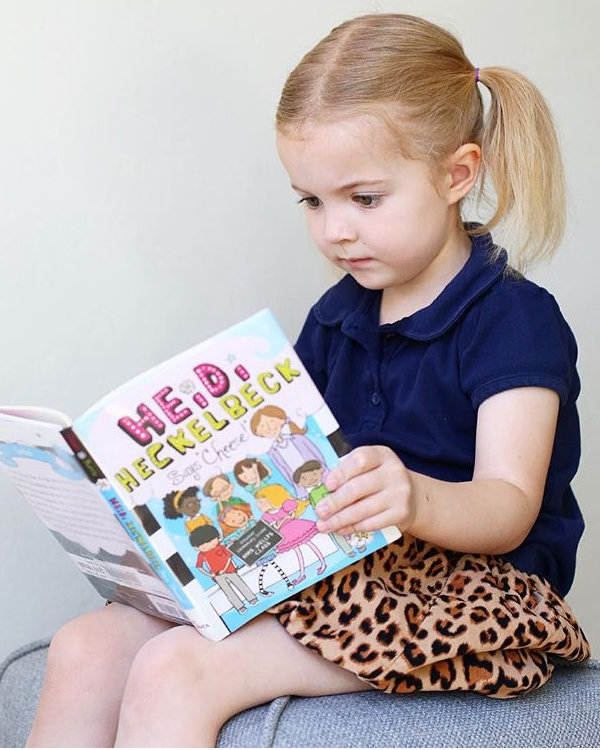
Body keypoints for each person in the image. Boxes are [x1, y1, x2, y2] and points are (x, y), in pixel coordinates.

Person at [26, 13, 590, 748]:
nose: (334, 231)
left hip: (473, 590)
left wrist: (414, 498)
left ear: (458, 175)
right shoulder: (337, 316)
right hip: (337, 569)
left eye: (364, 199)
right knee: (84, 647)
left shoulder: (513, 317)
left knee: (175, 670)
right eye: (312, 202)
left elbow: (509, 506)